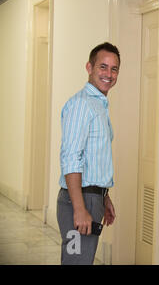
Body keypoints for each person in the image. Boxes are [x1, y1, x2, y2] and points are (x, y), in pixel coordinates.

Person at [56, 42, 119, 264]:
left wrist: (104, 196)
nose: (108, 74)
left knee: (81, 260)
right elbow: (71, 158)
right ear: (89, 67)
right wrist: (79, 208)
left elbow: (95, 158)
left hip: (92, 197)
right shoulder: (82, 104)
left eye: (114, 69)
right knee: (76, 261)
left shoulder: (98, 105)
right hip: (79, 199)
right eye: (103, 67)